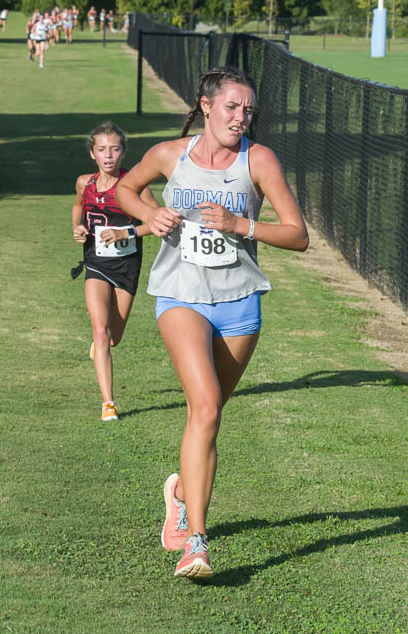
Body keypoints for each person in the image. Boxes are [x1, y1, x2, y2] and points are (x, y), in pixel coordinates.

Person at [115, 66, 308, 579]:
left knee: (211, 412)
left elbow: (298, 234)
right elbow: (124, 189)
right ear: (205, 105)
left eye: (248, 110)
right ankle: (195, 543)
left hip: (240, 303)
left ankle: (180, 490)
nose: (241, 118)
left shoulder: (259, 160)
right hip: (181, 296)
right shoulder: (169, 156)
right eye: (231, 107)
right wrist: (149, 216)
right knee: (203, 409)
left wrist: (242, 224)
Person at [70, 122, 158, 422]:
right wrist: (78, 228)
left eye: (115, 149)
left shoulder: (135, 187)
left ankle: (101, 349)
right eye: (102, 150)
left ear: (123, 153)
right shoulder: (85, 183)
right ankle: (108, 403)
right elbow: (78, 206)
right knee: (100, 329)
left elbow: (159, 224)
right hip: (96, 262)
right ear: (93, 153)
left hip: (127, 265)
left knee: (112, 339)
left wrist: (126, 233)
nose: (109, 155)